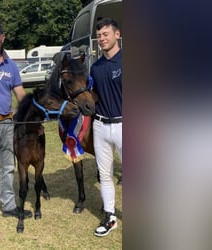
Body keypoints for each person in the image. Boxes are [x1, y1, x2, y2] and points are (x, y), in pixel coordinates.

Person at [0, 20, 32, 237]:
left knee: (7, 167)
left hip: (7, 123)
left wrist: (30, 117)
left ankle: (8, 205)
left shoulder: (10, 65)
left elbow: (20, 93)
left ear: (3, 38)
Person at [90, 18, 122, 237]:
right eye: (99, 35)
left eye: (105, 34)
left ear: (117, 34)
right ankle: (110, 216)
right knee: (104, 174)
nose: (102, 38)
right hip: (100, 125)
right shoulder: (95, 67)